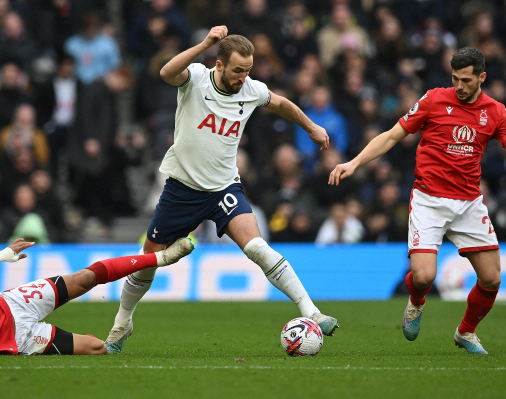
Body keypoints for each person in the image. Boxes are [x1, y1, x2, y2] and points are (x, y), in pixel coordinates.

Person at [105, 26, 339, 350]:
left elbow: (282, 104)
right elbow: (165, 71)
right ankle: (122, 323)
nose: (243, 77)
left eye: (248, 70)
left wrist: (311, 127)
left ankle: (311, 311)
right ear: (219, 64)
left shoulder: (251, 90)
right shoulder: (197, 79)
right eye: (238, 70)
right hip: (182, 190)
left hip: (223, 190)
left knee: (257, 247)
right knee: (148, 260)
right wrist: (204, 44)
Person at [329, 47, 506, 354]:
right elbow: (391, 135)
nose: (459, 86)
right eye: (455, 78)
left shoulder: (495, 111)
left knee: (492, 278)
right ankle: (416, 302)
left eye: (466, 80)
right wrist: (354, 162)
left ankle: (465, 332)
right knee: (425, 276)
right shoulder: (433, 100)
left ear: (482, 77)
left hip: (468, 202)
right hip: (429, 199)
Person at [0, 237, 194, 357]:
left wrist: (1, 255)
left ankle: (160, 257)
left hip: (13, 301)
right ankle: (118, 339)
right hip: (21, 339)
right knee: (97, 348)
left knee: (84, 278)